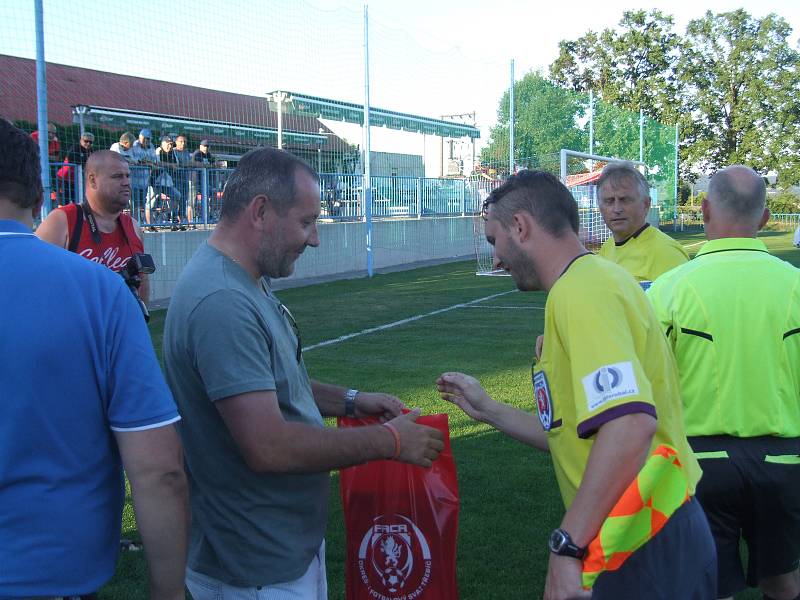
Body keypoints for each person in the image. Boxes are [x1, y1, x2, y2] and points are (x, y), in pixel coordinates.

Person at [163, 147, 444, 599]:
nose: (314, 239)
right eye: (307, 221)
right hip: (253, 567)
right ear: (260, 211)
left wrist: (350, 401)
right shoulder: (222, 302)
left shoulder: (244, 280)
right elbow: (268, 445)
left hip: (281, 550)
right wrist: (390, 441)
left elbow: (272, 386)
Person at [437, 170, 715, 599]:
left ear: (521, 227)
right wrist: (488, 409)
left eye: (495, 242)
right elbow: (576, 437)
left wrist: (567, 544)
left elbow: (630, 427)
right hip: (636, 532)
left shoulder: (582, 291)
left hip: (644, 536)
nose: (495, 259)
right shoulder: (586, 283)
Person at [0, 120, 188, 598]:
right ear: (40, 196)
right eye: (118, 177)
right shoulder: (92, 285)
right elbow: (159, 470)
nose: (127, 184)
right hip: (53, 567)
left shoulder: (124, 238)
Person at [647, 165, 800, 600]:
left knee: (711, 584)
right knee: (783, 581)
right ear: (766, 218)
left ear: (704, 209)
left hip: (699, 463)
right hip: (784, 461)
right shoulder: (795, 285)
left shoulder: (668, 288)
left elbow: (644, 378)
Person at [36, 150, 151, 305]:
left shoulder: (133, 226)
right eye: (117, 176)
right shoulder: (63, 221)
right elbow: (35, 281)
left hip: (122, 325)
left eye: (128, 176)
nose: (126, 182)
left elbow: (142, 280)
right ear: (92, 181)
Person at [596, 161, 689, 288]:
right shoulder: (606, 249)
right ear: (600, 207)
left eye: (625, 200)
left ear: (646, 204)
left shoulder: (667, 253)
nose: (617, 209)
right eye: (609, 201)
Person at [130, 128, 157, 217]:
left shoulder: (151, 147)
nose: (146, 140)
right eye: (145, 138)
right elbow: (135, 161)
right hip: (134, 182)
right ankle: (134, 224)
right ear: (140, 137)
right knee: (135, 205)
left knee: (141, 204)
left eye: (148, 139)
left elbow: (154, 161)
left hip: (145, 182)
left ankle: (138, 224)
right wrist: (147, 163)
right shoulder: (134, 146)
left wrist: (148, 162)